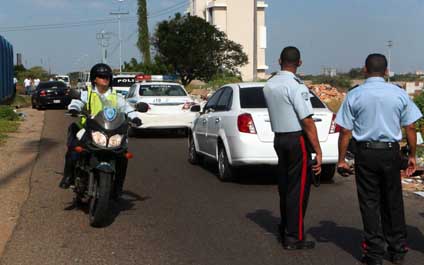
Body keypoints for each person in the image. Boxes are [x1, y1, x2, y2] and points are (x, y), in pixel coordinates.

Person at [336, 54, 422, 265]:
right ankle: (397, 249)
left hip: (365, 153)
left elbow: (346, 131)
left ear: (365, 69)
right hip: (391, 153)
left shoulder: (355, 95)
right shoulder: (399, 93)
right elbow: (410, 126)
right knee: (393, 200)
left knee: (370, 201)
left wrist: (341, 160)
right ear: (386, 71)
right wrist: (412, 155)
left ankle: (374, 252)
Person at [263, 46, 322, 250]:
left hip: (279, 138)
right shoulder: (297, 86)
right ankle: (294, 236)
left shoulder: (269, 85)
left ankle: (284, 228)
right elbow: (307, 121)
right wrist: (319, 151)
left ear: (279, 61)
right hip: (296, 140)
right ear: (300, 63)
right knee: (298, 190)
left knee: (286, 186)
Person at [59, 63, 141, 199]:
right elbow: (77, 102)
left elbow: (127, 108)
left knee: (123, 155)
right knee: (74, 149)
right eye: (101, 76)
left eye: (107, 76)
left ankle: (118, 187)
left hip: (110, 130)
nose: (105, 79)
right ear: (94, 79)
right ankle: (68, 177)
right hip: (89, 129)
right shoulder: (88, 93)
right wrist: (74, 108)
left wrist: (135, 117)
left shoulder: (116, 96)